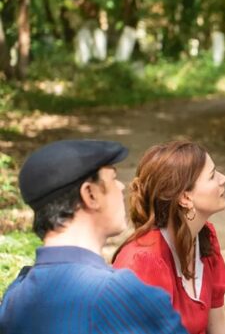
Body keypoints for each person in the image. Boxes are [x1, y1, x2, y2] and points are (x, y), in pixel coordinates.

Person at [0, 139, 186, 334]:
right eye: (113, 178)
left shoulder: (14, 298)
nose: (121, 186)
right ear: (90, 194)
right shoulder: (120, 294)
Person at [112, 141, 225, 334]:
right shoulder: (145, 262)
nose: (224, 179)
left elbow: (219, 326)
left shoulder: (205, 237)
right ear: (185, 198)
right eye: (212, 175)